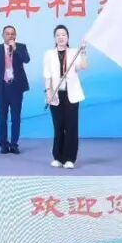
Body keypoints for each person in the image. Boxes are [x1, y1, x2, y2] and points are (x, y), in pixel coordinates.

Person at [42, 24, 88, 169]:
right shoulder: (49, 54)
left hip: (72, 94)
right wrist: (48, 91)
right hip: (56, 94)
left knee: (71, 126)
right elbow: (47, 75)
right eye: (58, 35)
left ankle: (70, 159)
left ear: (67, 37)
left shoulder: (74, 52)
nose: (61, 37)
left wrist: (83, 52)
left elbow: (83, 67)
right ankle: (58, 157)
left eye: (63, 34)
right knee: (58, 126)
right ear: (54, 38)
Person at [0, 25, 31, 155]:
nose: (10, 36)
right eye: (7, 33)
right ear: (3, 35)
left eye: (12, 34)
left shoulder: (21, 47)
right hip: (1, 87)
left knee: (16, 117)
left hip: (16, 87)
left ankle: (14, 144)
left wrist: (15, 49)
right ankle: (4, 144)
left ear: (15, 36)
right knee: (2, 117)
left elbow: (27, 60)